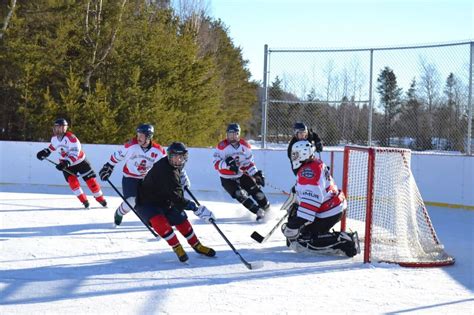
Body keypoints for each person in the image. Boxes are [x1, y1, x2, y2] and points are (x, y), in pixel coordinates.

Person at [135, 142, 216, 263]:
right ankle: (177, 247)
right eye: (175, 156)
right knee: (160, 222)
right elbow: (176, 197)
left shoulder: (174, 166)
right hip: (147, 202)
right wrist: (195, 208)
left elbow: (176, 185)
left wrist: (182, 177)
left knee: (180, 218)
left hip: (165, 199)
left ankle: (197, 245)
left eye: (181, 157)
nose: (178, 159)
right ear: (169, 156)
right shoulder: (165, 171)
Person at [281, 140, 359, 257]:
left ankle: (345, 242)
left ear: (304, 154)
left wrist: (294, 225)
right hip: (332, 205)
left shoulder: (308, 171)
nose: (293, 157)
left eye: (295, 154)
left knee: (303, 241)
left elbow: (311, 203)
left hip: (329, 211)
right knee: (296, 235)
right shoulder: (313, 163)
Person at [98, 123, 175, 226]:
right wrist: (108, 166)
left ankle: (156, 220)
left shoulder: (158, 150)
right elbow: (117, 156)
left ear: (149, 136)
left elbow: (164, 166)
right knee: (132, 201)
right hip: (130, 177)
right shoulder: (131, 145)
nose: (138, 138)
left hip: (147, 179)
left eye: (141, 135)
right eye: (137, 135)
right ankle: (119, 213)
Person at [36, 118, 107, 209]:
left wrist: (66, 163)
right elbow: (51, 148)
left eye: (58, 128)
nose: (56, 130)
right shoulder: (54, 139)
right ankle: (84, 201)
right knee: (72, 182)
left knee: (91, 181)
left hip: (80, 162)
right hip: (66, 164)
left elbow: (75, 154)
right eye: (55, 127)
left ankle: (100, 198)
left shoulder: (71, 139)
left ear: (64, 128)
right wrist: (44, 152)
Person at [213, 123, 270, 221]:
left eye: (234, 134)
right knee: (240, 194)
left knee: (257, 193)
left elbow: (248, 163)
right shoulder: (222, 147)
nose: (231, 136)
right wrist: (228, 165)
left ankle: (268, 210)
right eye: (229, 134)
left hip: (241, 174)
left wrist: (255, 174)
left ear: (238, 134)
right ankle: (258, 212)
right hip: (227, 178)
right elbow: (215, 164)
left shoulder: (245, 146)